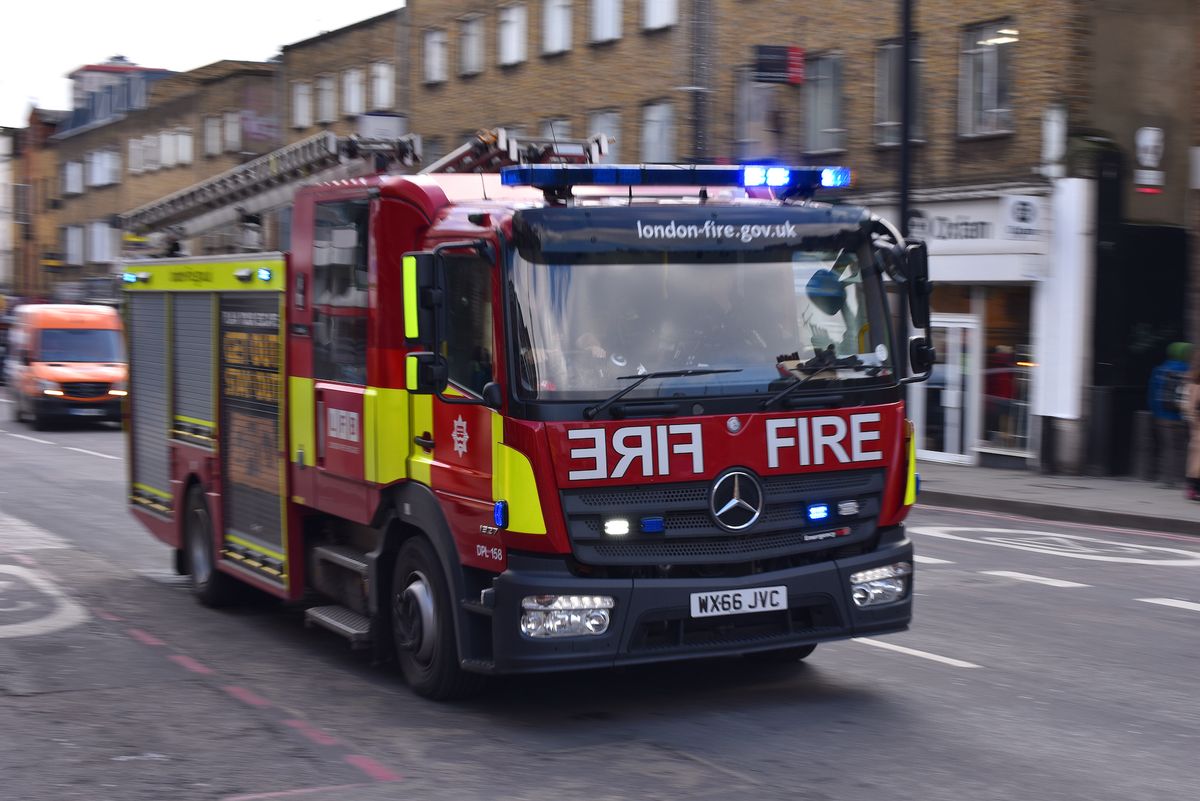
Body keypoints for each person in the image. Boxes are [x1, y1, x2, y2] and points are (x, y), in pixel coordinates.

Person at [1147, 341, 1191, 487]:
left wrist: (1155, 412)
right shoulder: (1190, 372)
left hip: (1163, 417)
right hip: (1182, 416)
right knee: (1182, 448)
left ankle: (1166, 479)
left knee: (1167, 448)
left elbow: (1152, 394)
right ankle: (1181, 479)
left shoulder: (1160, 370)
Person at [1182, 351, 1200, 502]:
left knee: (1195, 455)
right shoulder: (1196, 383)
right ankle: (1194, 489)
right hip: (1198, 425)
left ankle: (1192, 488)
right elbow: (1192, 406)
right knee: (1197, 457)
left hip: (1194, 425)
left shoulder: (1192, 379)